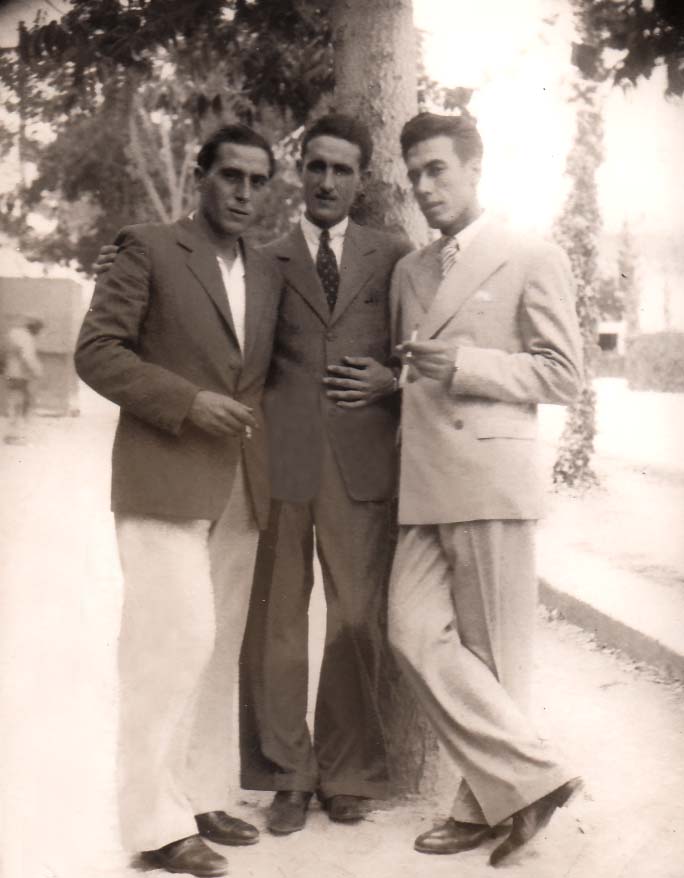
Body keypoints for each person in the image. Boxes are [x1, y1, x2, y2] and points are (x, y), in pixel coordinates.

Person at [75, 124, 282, 878]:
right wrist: (187, 402)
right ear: (201, 177)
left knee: (217, 648)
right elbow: (97, 351)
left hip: (240, 485)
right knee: (170, 646)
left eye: (258, 181)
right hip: (163, 477)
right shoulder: (149, 247)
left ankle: (200, 795)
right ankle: (155, 826)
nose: (244, 192)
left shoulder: (268, 269)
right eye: (231, 176)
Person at [388, 111, 584, 867]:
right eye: (415, 174)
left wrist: (468, 366)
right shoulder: (411, 271)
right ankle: (539, 778)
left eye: (437, 169)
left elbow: (563, 374)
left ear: (475, 169)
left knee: (496, 656)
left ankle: (480, 811)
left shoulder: (530, 255)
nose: (424, 186)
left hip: (491, 477)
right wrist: (387, 381)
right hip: (422, 482)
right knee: (409, 630)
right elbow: (409, 372)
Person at [239, 114, 412, 834]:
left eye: (342, 169)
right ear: (299, 170)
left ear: (362, 179)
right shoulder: (266, 258)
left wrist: (393, 380)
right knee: (279, 619)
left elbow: (423, 345)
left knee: (354, 618)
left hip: (363, 459)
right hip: (286, 454)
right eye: (316, 165)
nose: (328, 180)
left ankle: (348, 772)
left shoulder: (394, 255)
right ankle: (288, 775)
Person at [3, 314, 43, 445]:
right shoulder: (26, 338)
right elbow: (28, 357)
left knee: (14, 402)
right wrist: (37, 371)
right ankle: (15, 435)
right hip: (20, 375)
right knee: (22, 404)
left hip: (10, 373)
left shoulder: (14, 334)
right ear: (34, 328)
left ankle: (11, 433)